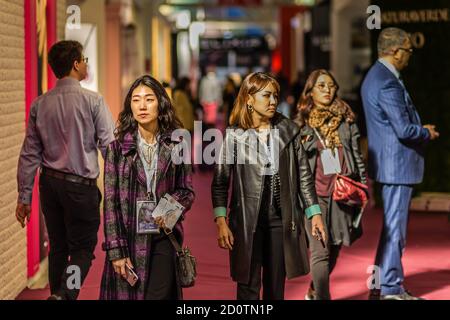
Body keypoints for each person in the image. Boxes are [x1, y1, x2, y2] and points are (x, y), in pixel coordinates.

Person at [211, 72, 326, 300]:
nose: (273, 101)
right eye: (266, 96)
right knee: (247, 287)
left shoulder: (289, 130)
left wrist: (315, 213)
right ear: (249, 99)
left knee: (275, 288)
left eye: (275, 95)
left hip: (281, 220)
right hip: (244, 222)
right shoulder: (234, 135)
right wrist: (221, 221)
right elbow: (220, 183)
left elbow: (304, 176)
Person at [15, 40, 115, 300]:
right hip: (80, 187)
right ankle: (66, 294)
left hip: (49, 185)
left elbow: (29, 154)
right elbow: (109, 148)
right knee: (83, 248)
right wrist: (120, 187)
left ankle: (58, 295)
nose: (86, 64)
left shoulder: (40, 104)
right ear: (75, 64)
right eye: (84, 60)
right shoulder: (93, 101)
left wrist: (24, 196)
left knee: (58, 247)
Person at [100, 75, 195, 300]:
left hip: (164, 233)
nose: (142, 106)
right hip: (129, 238)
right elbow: (111, 205)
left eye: (149, 99)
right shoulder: (117, 149)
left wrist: (167, 211)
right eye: (136, 100)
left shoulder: (177, 143)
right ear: (129, 106)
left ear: (160, 103)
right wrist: (116, 251)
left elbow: (187, 190)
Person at [361, 27, 439, 300]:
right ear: (395, 51)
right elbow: (405, 130)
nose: (409, 55)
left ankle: (381, 285)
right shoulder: (387, 81)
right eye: (407, 50)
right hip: (396, 167)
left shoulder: (377, 76)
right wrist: (426, 132)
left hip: (391, 165)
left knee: (390, 230)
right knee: (395, 231)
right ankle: (391, 289)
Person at [294, 69, 367, 300]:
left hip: (341, 193)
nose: (327, 90)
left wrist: (363, 187)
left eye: (331, 86)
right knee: (320, 252)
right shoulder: (301, 123)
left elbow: (357, 156)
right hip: (312, 196)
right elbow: (295, 163)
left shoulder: (346, 120)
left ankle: (315, 290)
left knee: (335, 246)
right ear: (311, 91)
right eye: (321, 86)